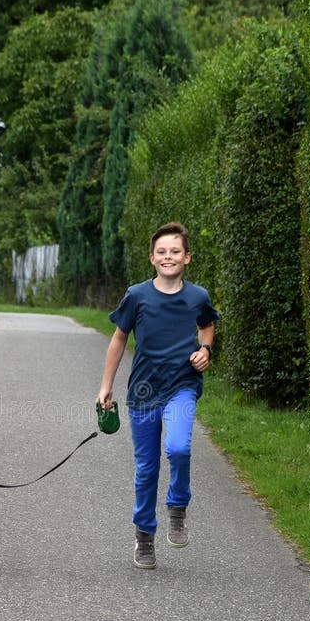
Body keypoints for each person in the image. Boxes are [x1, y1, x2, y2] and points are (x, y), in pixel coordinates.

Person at [97, 222, 220, 569]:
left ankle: (177, 506)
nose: (169, 257)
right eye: (162, 252)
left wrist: (206, 349)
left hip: (182, 385)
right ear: (152, 258)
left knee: (179, 447)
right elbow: (119, 338)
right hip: (143, 391)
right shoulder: (137, 295)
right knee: (146, 468)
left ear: (187, 257)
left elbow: (207, 324)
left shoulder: (198, 296)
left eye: (175, 251)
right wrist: (106, 385)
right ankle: (144, 536)